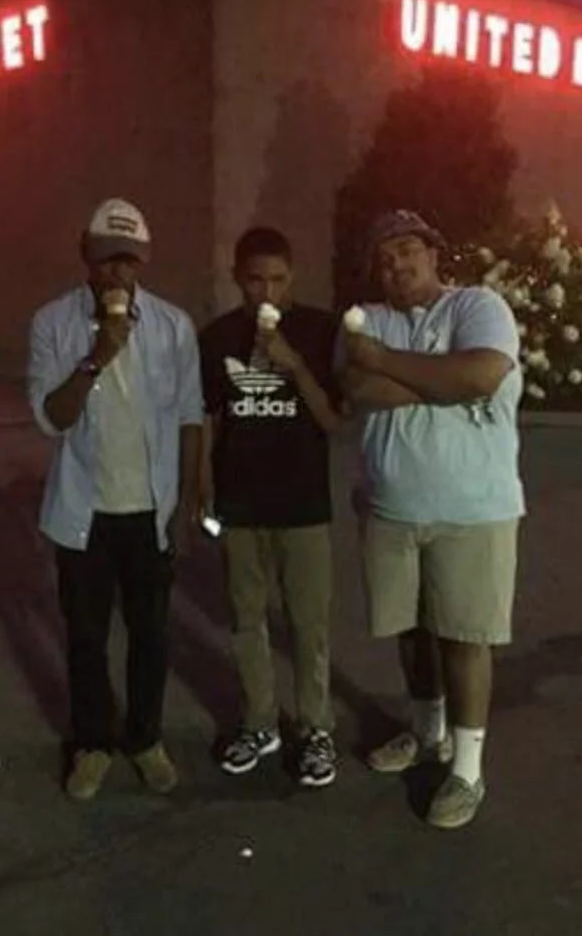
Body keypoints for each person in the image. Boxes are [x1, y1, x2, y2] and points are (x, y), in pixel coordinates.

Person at [339, 209, 524, 829]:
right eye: (385, 258)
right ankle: (426, 732)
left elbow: (482, 372)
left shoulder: (478, 307)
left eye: (408, 251)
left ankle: (467, 769)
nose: (397, 266)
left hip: (473, 512)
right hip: (392, 511)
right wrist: (444, 383)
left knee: (465, 639)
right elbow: (358, 391)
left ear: (434, 252)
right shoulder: (369, 319)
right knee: (412, 633)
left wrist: (392, 363)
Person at [27, 198, 203, 801]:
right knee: (85, 638)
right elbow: (52, 417)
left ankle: (146, 738)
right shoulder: (53, 323)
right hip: (83, 514)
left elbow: (188, 417)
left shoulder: (174, 326)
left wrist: (185, 506)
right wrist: (98, 353)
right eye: (107, 260)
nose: (117, 275)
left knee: (152, 636)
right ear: (86, 255)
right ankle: (93, 744)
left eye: (129, 263)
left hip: (149, 514)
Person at [198, 227, 342, 787]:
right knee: (245, 618)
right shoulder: (218, 337)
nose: (267, 292)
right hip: (241, 501)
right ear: (238, 278)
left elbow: (333, 420)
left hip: (303, 503)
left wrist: (295, 366)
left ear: (293, 278)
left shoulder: (318, 330)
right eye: (255, 280)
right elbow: (210, 417)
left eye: (278, 280)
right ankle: (260, 721)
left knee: (309, 623)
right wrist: (203, 485)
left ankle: (315, 727)